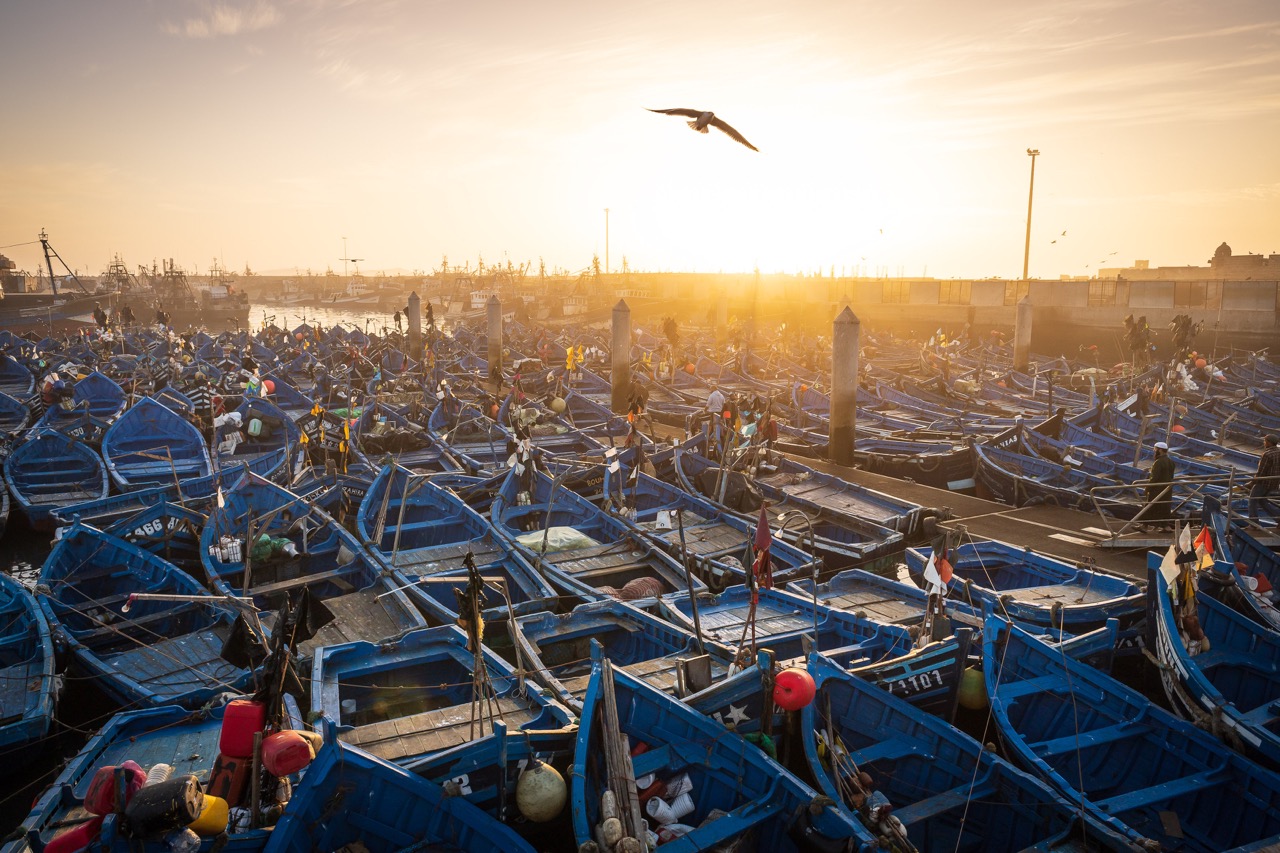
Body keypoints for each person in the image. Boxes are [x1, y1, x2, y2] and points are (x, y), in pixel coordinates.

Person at [1249, 434, 1280, 525]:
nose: (1264, 443)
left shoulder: (1267, 454)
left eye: (1265, 441)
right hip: (1274, 483)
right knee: (1262, 501)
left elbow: (1261, 473)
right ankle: (1278, 518)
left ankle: (1253, 524)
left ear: (1269, 442)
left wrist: (1252, 483)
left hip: (1264, 483)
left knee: (1252, 500)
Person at [1146, 441, 1176, 528]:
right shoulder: (1171, 462)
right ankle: (1166, 527)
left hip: (1157, 490)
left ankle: (1144, 526)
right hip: (1167, 490)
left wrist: (1147, 488)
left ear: (1160, 450)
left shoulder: (1158, 462)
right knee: (1164, 508)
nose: (1154, 451)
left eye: (1155, 449)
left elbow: (1154, 478)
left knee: (1149, 507)